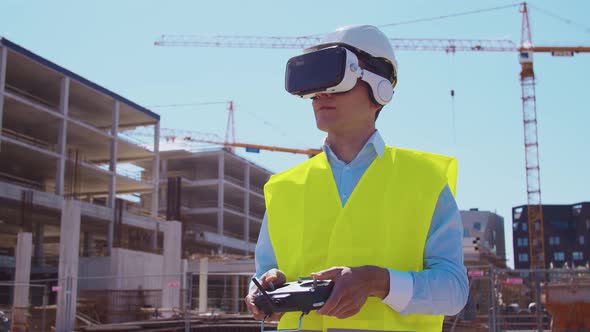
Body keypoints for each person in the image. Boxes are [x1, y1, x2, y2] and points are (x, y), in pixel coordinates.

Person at [245, 24, 469, 332]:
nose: (321, 93)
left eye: (337, 81)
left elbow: (453, 291)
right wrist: (263, 290)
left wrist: (376, 281)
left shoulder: (425, 182)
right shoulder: (283, 188)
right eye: (315, 84)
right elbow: (264, 272)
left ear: (379, 92)